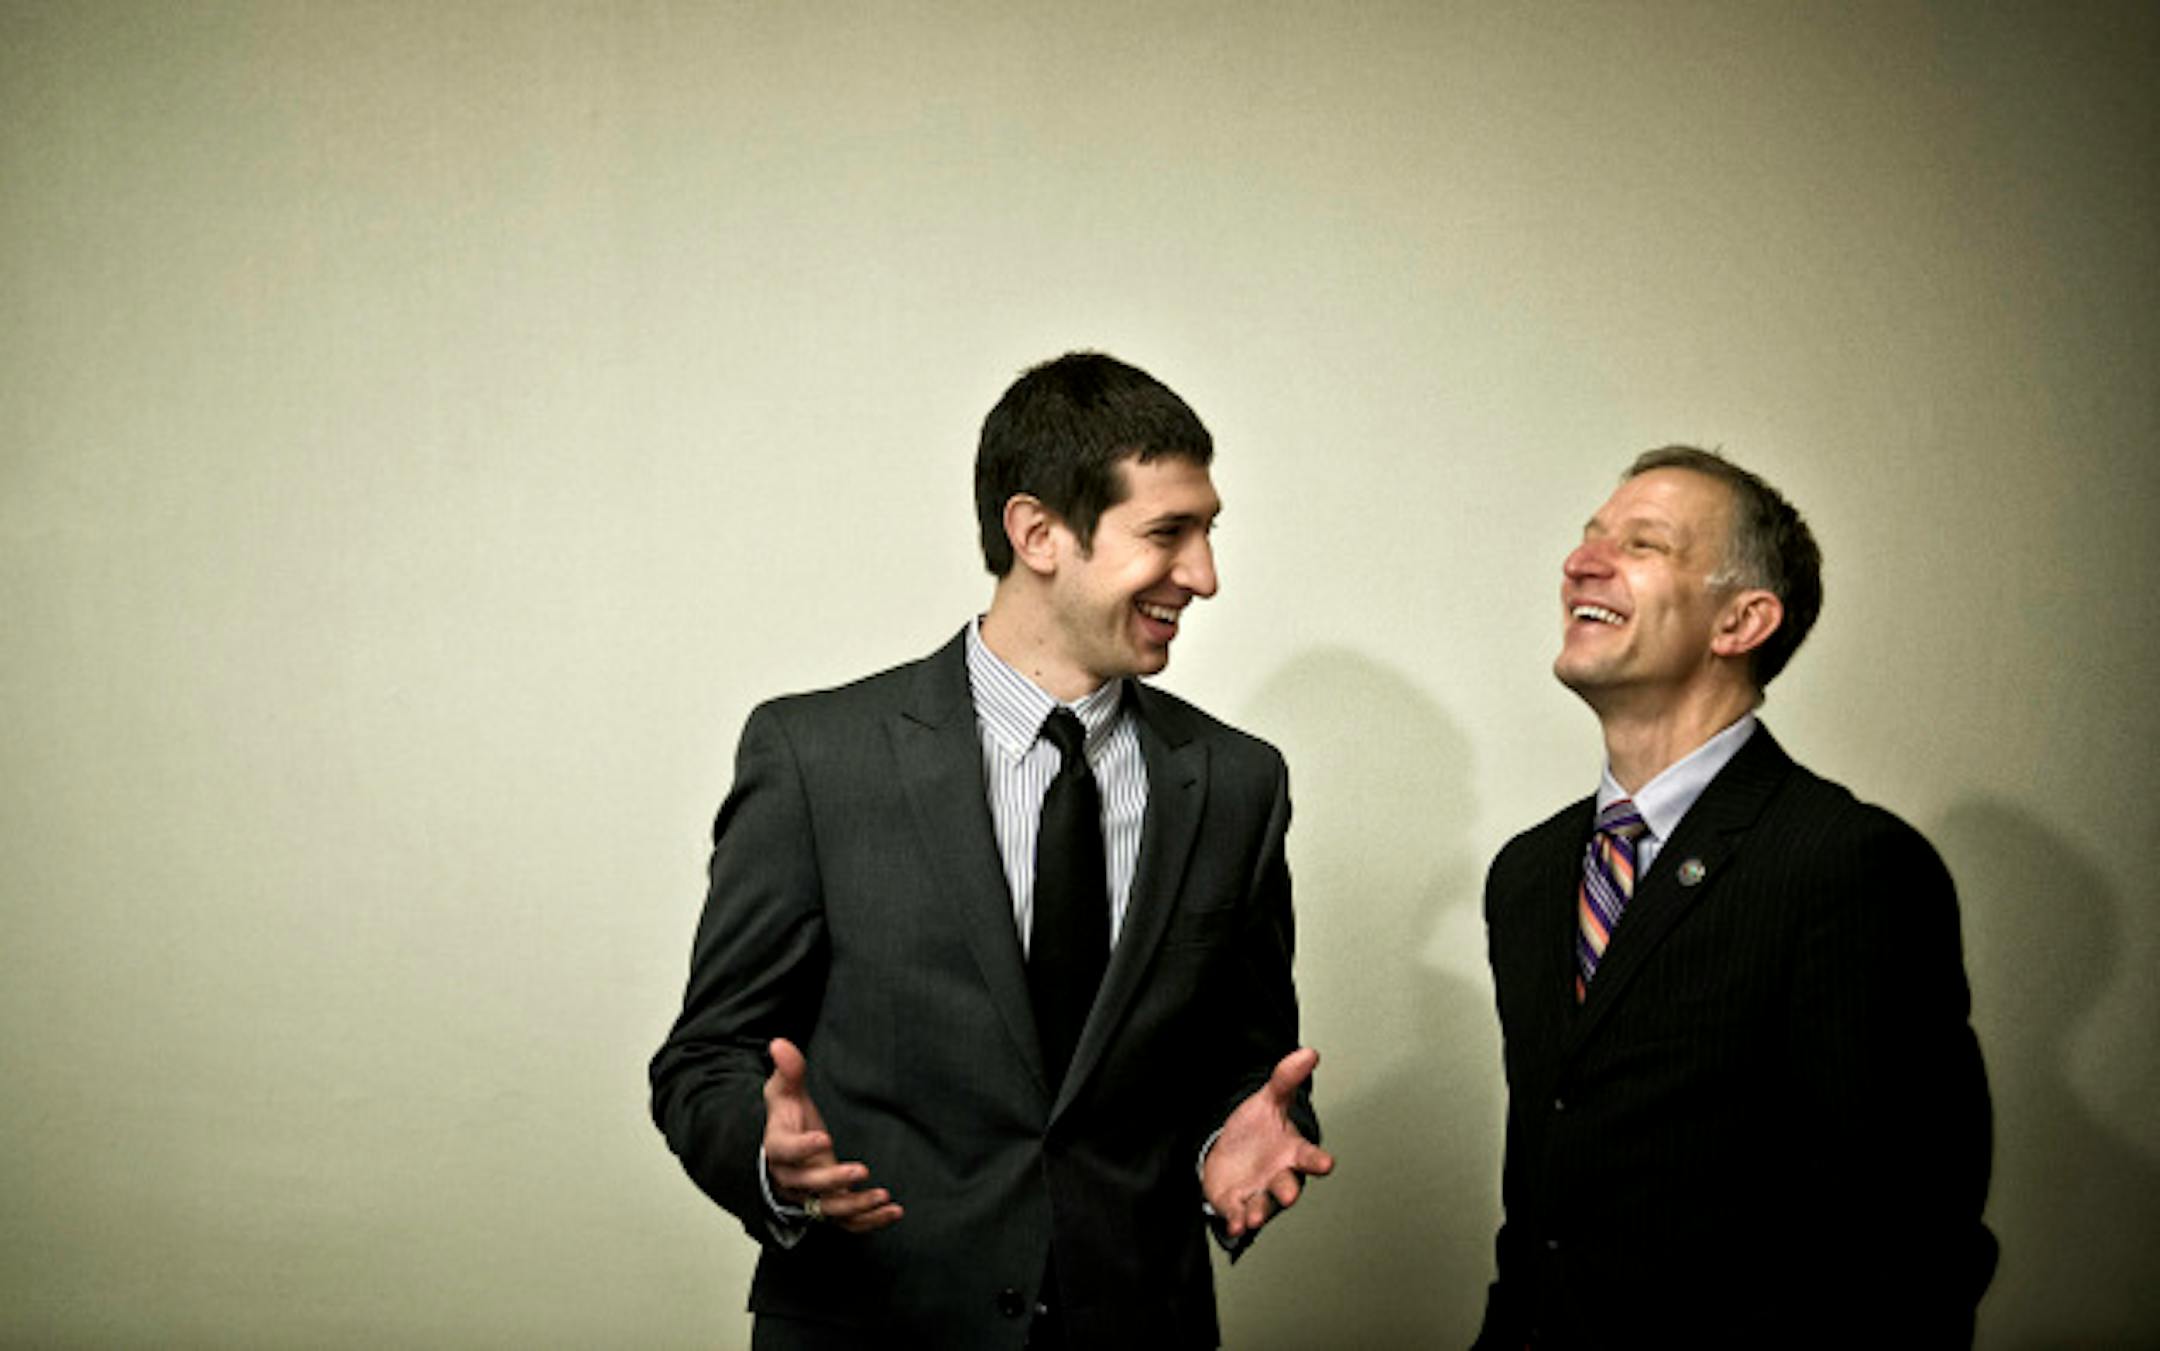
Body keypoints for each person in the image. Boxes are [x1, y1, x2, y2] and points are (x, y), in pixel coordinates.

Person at [651, 352, 1331, 1351]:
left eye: (1208, 533)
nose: (1205, 575)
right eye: (1167, 534)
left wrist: (1240, 1139)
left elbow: (1252, 1068)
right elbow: (706, 1058)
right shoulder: (816, 757)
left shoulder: (1237, 782)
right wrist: (764, 1153)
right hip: (874, 1321)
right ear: (1039, 533)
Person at [1476, 447, 1996, 1348]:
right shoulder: (1526, 874)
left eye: (1642, 544)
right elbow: (1549, 1204)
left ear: (1742, 620)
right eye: (1589, 537)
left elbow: (1912, 1237)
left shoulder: (1848, 862)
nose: (1581, 563)